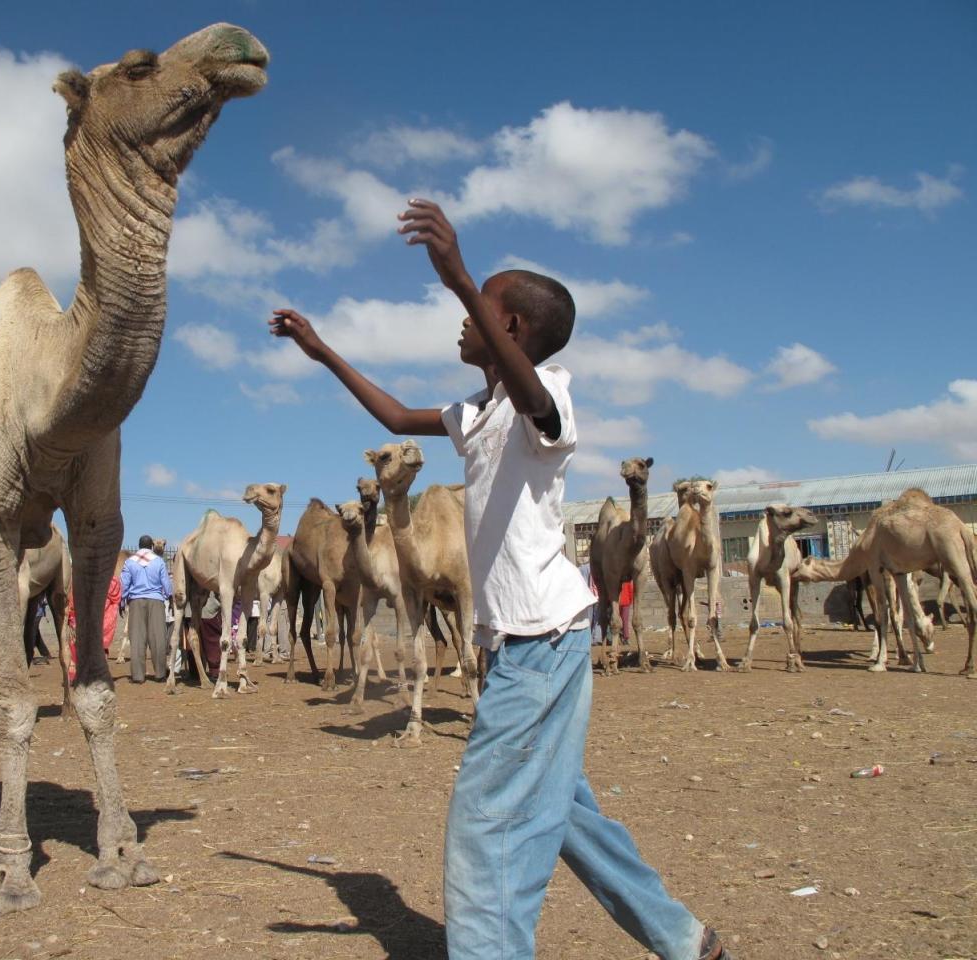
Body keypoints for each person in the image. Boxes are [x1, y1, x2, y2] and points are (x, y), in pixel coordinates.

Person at [270, 198, 731, 960]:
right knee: (563, 811)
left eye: (480, 307)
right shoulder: (476, 412)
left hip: (541, 638)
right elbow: (392, 418)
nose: (461, 319)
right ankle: (683, 939)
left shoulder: (545, 400)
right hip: (522, 641)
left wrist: (455, 274)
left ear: (509, 329)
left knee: (486, 824)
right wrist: (323, 352)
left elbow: (538, 404)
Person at [119, 535, 172, 683]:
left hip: (136, 601)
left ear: (139, 545)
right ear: (151, 546)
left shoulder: (129, 562)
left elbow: (124, 584)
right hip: (156, 600)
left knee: (136, 638)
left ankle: (138, 676)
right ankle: (160, 674)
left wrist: (121, 601)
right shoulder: (159, 562)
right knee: (158, 638)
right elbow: (166, 583)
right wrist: (170, 596)